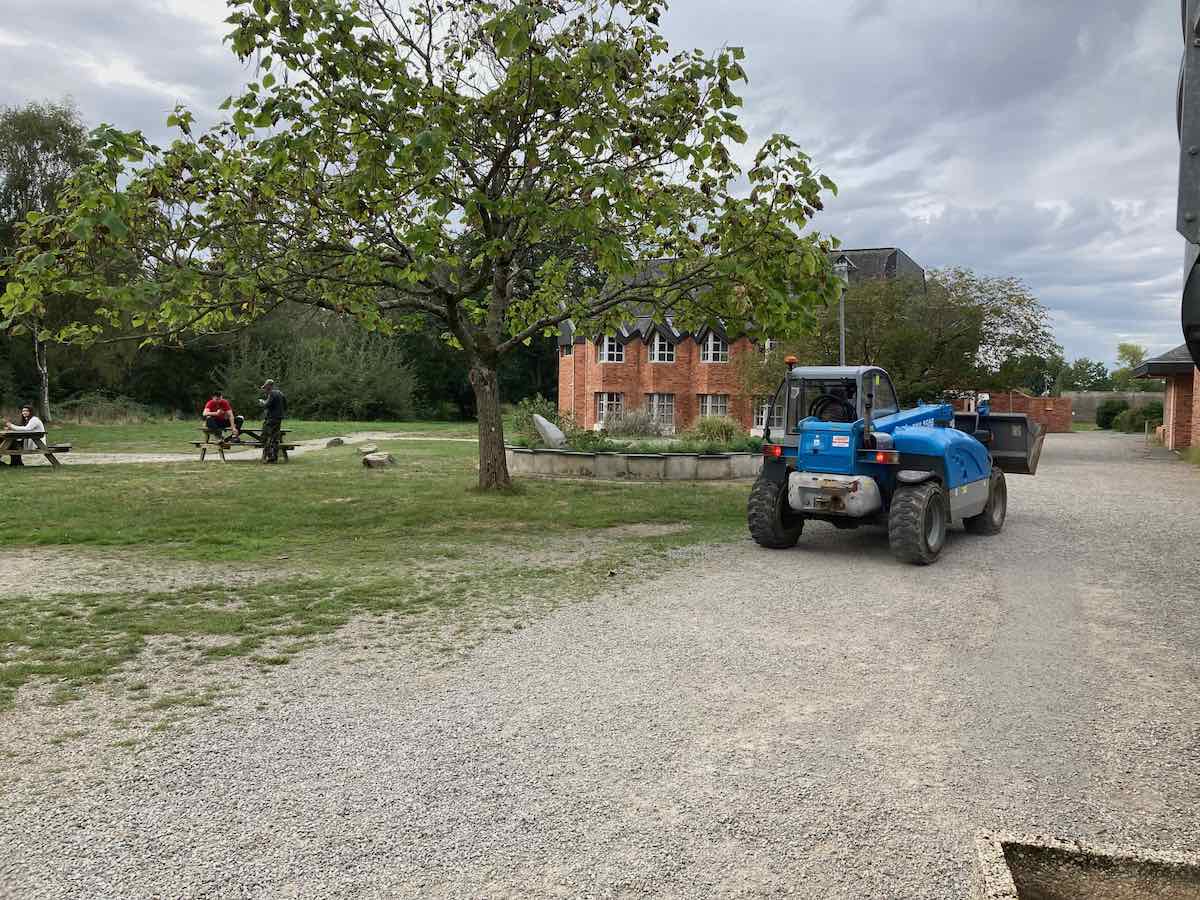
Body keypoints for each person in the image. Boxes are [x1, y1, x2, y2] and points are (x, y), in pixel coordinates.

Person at [258, 379, 287, 463]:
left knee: (265, 437)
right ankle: (274, 458)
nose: (264, 390)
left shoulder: (272, 394)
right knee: (275, 438)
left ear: (269, 386)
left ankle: (267, 456)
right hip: (279, 419)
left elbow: (267, 405)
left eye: (265, 388)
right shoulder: (281, 393)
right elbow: (285, 406)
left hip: (271, 419)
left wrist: (262, 402)